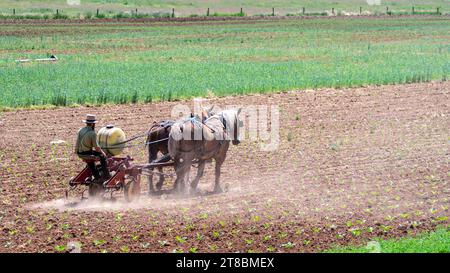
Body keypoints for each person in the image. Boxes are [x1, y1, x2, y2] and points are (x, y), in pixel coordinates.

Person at [75, 114, 110, 182]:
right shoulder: (92, 133)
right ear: (93, 124)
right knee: (102, 156)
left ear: (86, 123)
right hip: (86, 152)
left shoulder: (80, 130)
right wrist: (103, 153)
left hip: (79, 153)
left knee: (91, 161)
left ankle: (97, 177)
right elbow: (97, 148)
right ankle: (107, 175)